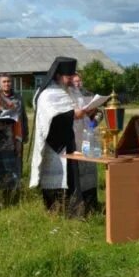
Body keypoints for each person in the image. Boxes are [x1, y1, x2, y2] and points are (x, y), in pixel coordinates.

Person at [29, 57, 91, 214]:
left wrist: (87, 110)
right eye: (68, 76)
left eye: (72, 76)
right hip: (53, 142)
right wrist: (73, 114)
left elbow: (78, 107)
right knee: (55, 179)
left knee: (72, 176)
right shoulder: (48, 93)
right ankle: (54, 211)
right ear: (58, 75)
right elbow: (51, 117)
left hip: (70, 140)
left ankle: (74, 211)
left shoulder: (71, 91)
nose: (71, 80)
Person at [0, 82, 21, 204]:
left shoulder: (6, 106)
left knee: (9, 173)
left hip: (8, 144)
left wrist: (17, 141)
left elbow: (16, 117)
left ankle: (8, 200)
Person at [70, 73, 100, 212]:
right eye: (75, 81)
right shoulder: (67, 96)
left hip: (89, 136)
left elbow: (100, 114)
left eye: (79, 80)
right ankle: (81, 204)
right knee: (80, 173)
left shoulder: (89, 94)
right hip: (75, 137)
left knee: (91, 172)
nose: (78, 83)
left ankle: (92, 203)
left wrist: (94, 121)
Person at [0, 73, 29, 178]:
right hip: (2, 140)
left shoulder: (18, 97)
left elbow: (23, 117)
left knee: (17, 165)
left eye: (9, 81)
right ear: (0, 84)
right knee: (4, 168)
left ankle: (17, 190)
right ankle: (4, 191)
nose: (7, 84)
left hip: (17, 137)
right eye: (4, 82)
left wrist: (25, 135)